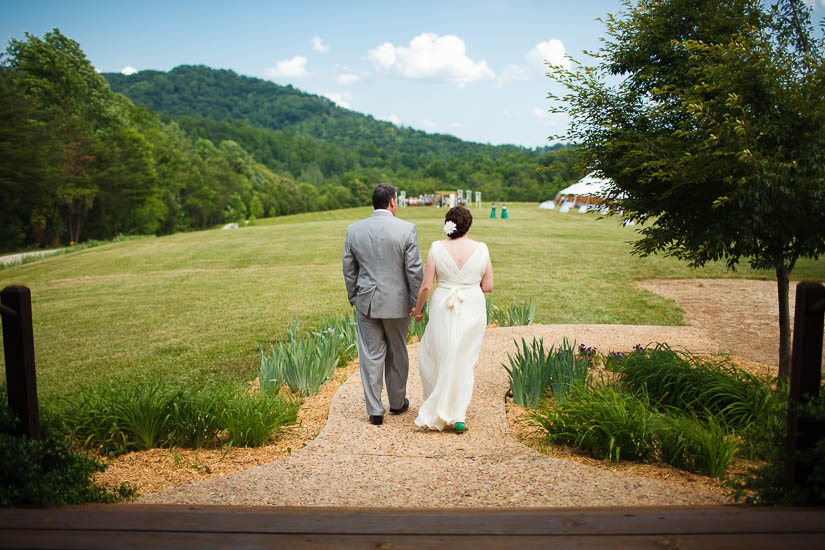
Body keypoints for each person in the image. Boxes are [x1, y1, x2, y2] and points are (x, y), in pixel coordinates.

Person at [343, 184, 424, 426]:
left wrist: (354, 297)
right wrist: (416, 303)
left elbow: (349, 269)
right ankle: (397, 403)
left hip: (366, 303)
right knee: (397, 351)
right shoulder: (407, 229)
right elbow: (414, 271)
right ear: (391, 202)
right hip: (397, 303)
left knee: (370, 355)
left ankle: (375, 410)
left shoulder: (354, 230)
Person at [410, 206, 494, 433]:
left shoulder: (437, 248)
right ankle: (458, 415)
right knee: (463, 360)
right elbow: (488, 286)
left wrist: (418, 311)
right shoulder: (482, 249)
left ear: (448, 224)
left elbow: (427, 285)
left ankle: (436, 405)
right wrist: (468, 285)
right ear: (469, 225)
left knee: (435, 354)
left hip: (442, 305)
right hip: (472, 307)